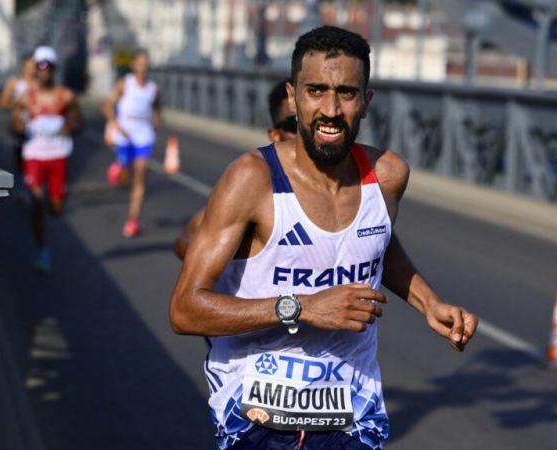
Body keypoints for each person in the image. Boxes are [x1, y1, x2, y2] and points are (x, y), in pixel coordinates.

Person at [169, 26, 478, 450]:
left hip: (352, 417)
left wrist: (430, 302)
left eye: (347, 93)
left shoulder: (386, 176)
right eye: (316, 90)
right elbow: (185, 309)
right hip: (258, 420)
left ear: (366, 103)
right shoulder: (252, 180)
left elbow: (377, 245)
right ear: (293, 96)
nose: (331, 109)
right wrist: (303, 307)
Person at [173, 79, 297, 260]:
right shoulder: (256, 184)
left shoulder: (350, 181)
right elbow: (184, 242)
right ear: (275, 135)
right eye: (294, 124)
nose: (305, 132)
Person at [13, 46, 82, 272]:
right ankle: (42, 252)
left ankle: (57, 199)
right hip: (34, 155)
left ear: (53, 69)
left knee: (56, 209)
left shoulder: (66, 95)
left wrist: (70, 126)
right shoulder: (27, 97)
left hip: (58, 155)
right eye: (39, 66)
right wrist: (19, 125)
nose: (42, 70)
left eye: (47, 66)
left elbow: (79, 123)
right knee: (36, 201)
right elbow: (14, 125)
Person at [102, 49, 162, 238]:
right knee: (125, 175)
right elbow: (107, 105)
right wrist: (114, 123)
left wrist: (156, 122)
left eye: (146, 62)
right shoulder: (125, 84)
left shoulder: (153, 88)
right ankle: (119, 166)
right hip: (124, 135)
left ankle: (132, 220)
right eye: (140, 62)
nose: (143, 66)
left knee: (140, 176)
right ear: (134, 65)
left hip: (143, 136)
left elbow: (158, 107)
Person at [0, 54, 36, 188]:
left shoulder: (41, 83)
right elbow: (2, 103)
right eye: (29, 66)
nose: (32, 70)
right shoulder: (15, 82)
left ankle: (36, 186)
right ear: (23, 67)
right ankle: (22, 187)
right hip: (21, 128)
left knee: (38, 159)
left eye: (34, 66)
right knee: (21, 160)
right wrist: (17, 102)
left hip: (38, 129)